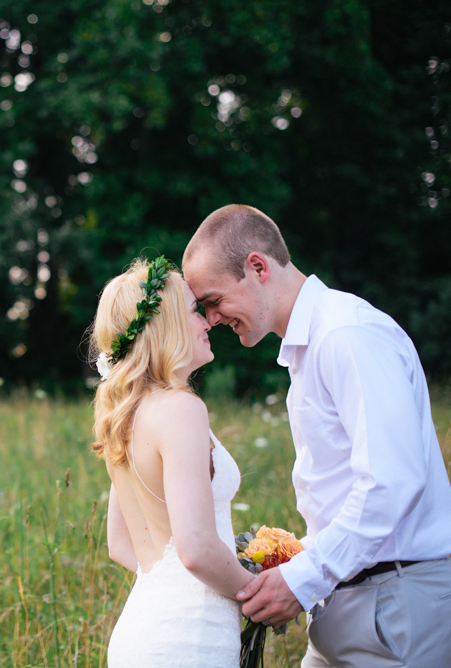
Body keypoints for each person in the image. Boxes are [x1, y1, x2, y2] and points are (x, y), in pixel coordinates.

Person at [183, 204, 451, 668]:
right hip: (346, 599)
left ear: (258, 267)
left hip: (397, 605)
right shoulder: (308, 349)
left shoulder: (348, 335)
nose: (210, 319)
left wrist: (303, 577)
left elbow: (391, 483)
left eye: (213, 300)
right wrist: (296, 560)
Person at [92, 257, 255, 668]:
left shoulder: (128, 415)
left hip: (143, 631)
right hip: (189, 639)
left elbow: (120, 545)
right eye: (194, 311)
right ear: (167, 325)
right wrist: (258, 592)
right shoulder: (181, 409)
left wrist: (174, 583)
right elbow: (197, 548)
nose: (207, 322)